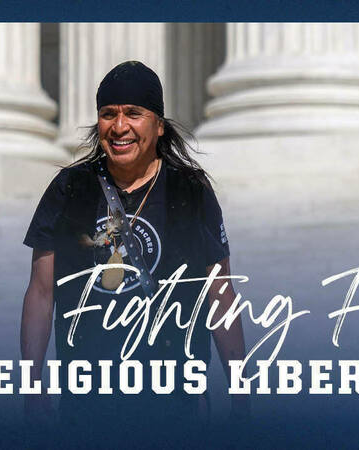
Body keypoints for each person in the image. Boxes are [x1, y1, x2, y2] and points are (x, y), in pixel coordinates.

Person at [21, 61, 249, 444]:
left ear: (159, 125)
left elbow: (220, 295)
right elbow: (41, 293)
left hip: (176, 403)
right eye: (108, 114)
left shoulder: (189, 190)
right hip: (87, 406)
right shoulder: (69, 189)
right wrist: (31, 385)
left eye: (134, 113)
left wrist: (240, 393)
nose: (119, 126)